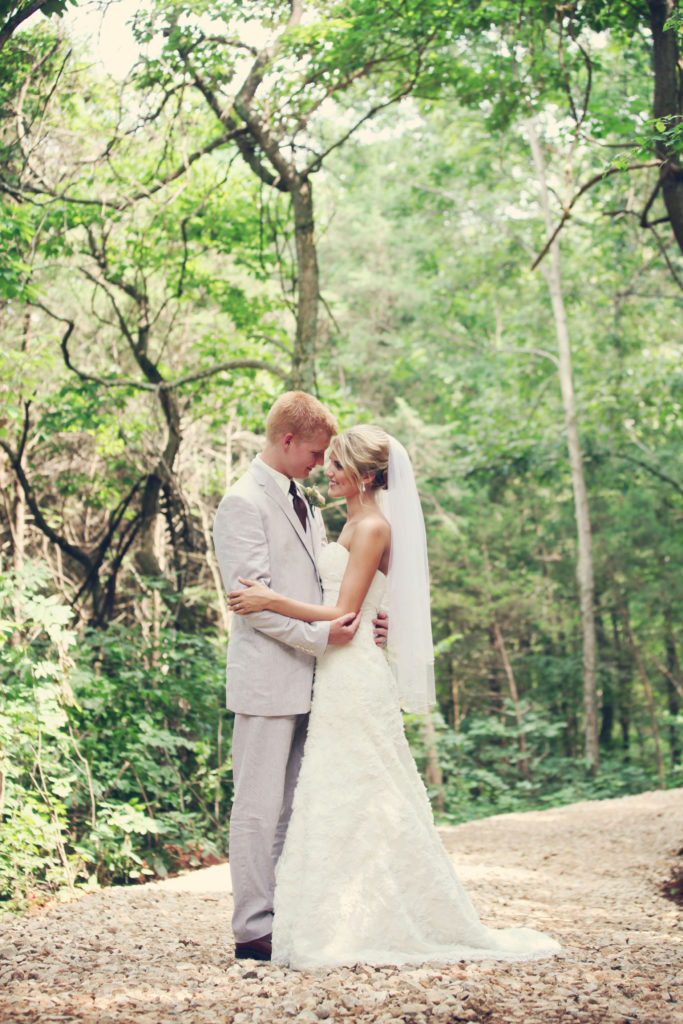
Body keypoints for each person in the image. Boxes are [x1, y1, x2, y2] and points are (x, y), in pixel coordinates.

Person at [228, 425, 561, 969]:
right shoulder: (351, 520)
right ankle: (333, 914)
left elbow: (342, 612)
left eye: (335, 465)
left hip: (352, 673)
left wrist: (270, 598)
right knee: (337, 795)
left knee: (365, 790)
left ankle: (377, 917)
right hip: (334, 669)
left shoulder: (373, 525)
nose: (327, 472)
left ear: (363, 474)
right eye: (325, 461)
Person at [213, 392, 387, 963]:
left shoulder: (305, 502)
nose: (320, 464)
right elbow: (252, 604)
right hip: (267, 682)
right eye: (314, 454)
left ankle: (284, 916)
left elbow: (326, 589)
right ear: (287, 441)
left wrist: (368, 622)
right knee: (258, 808)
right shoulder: (242, 502)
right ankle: (251, 929)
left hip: (320, 680)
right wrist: (324, 635)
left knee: (295, 806)